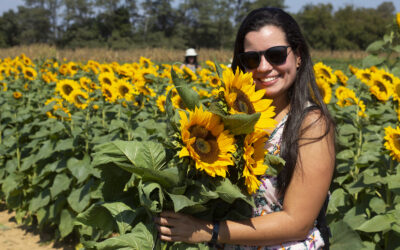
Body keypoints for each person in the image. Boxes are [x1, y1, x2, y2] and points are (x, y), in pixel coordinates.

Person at [155, 7, 335, 249]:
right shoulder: (231, 119)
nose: (263, 67)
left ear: (298, 55)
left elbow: (296, 222)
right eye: (252, 59)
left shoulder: (310, 124)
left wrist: (207, 230)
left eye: (276, 54)